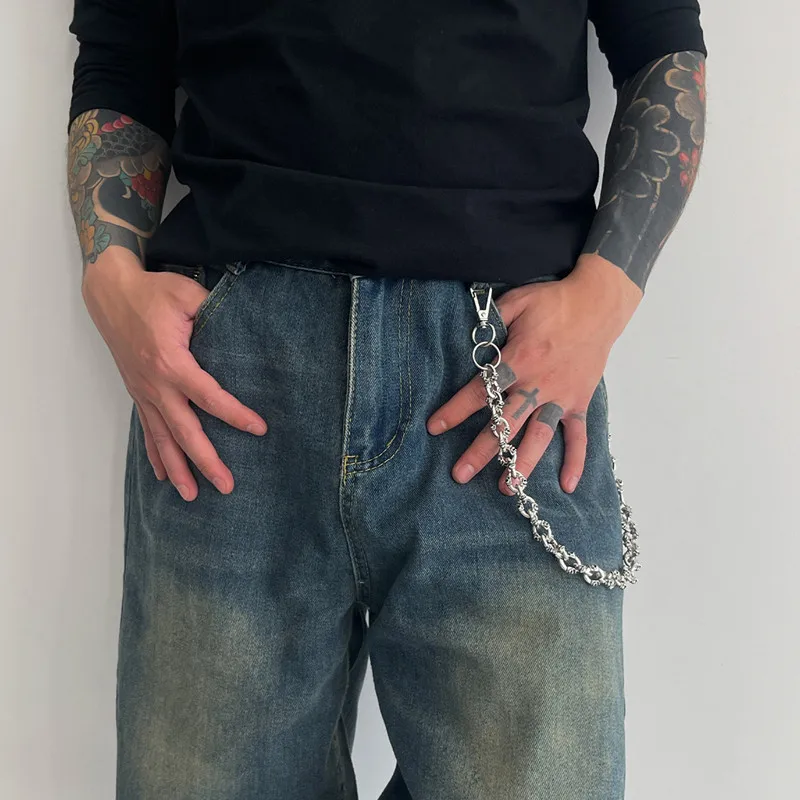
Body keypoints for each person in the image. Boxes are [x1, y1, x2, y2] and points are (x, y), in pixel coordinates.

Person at [66, 0, 707, 796]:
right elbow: (123, 53)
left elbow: (660, 42)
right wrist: (110, 278)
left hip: (507, 376)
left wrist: (609, 293)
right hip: (232, 378)